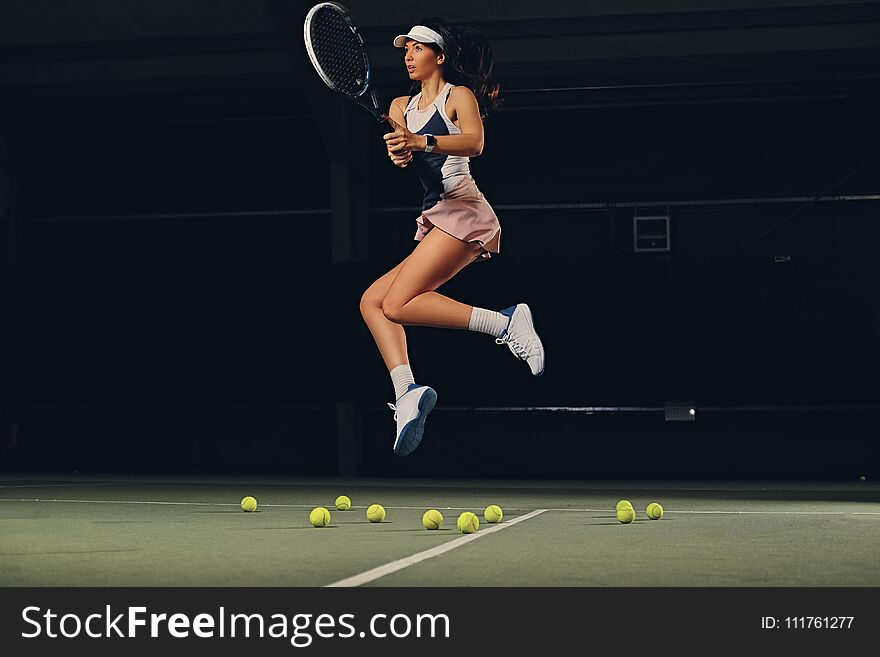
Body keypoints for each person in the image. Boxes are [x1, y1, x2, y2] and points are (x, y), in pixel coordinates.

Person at [358, 18, 544, 457]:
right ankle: (406, 391)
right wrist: (399, 151)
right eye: (404, 48)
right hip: (434, 213)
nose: (407, 54)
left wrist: (420, 142)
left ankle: (506, 322)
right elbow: (405, 157)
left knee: (399, 304)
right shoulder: (400, 105)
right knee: (372, 303)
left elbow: (474, 142)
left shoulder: (457, 96)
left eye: (418, 47)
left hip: (462, 208)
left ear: (439, 56)